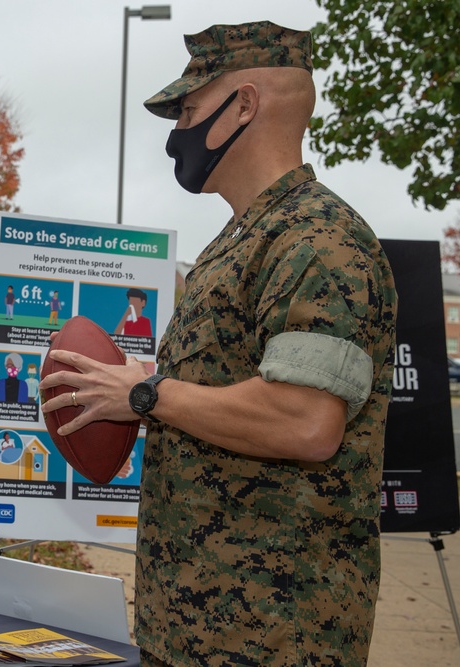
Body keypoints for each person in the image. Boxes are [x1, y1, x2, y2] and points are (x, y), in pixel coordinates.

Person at [40, 21, 396, 667]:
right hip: (190, 626)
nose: (178, 130)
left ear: (245, 104)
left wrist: (148, 393)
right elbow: (232, 391)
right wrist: (148, 388)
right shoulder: (235, 243)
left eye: (190, 108)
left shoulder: (318, 239)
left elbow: (308, 421)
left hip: (275, 636)